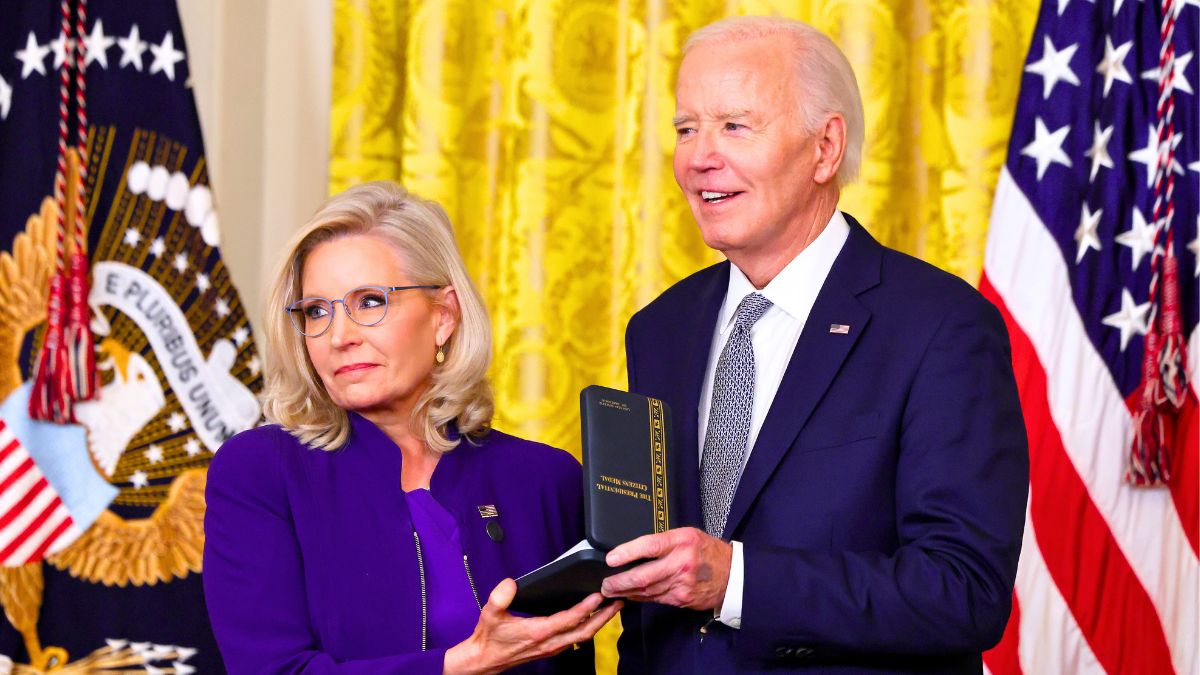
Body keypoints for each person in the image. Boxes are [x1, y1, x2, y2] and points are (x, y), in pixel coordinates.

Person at [601, 16, 1028, 673]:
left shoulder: (942, 326)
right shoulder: (661, 326)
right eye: (687, 127)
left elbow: (963, 590)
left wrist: (736, 579)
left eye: (734, 126)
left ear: (825, 147)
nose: (698, 157)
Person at [203, 181, 621, 674]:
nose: (339, 337)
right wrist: (460, 665)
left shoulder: (545, 479)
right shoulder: (260, 471)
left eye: (370, 302)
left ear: (443, 316)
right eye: (316, 311)